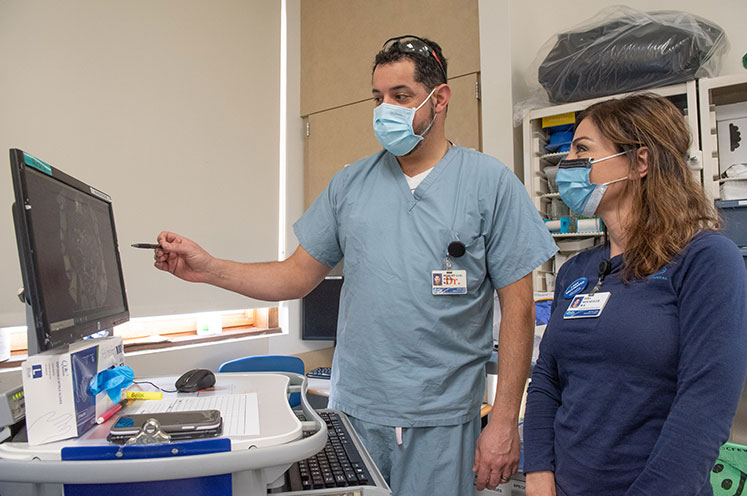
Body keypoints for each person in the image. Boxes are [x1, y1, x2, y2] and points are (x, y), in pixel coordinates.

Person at [154, 35, 557, 495]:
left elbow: (519, 309)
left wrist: (503, 422)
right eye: (378, 98)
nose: (386, 110)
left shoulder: (490, 183)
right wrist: (208, 268)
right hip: (357, 410)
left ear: (440, 98)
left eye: (401, 96)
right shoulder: (350, 184)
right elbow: (294, 276)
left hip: (442, 419)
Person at [523, 93, 747, 496]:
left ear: (640, 162)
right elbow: (547, 379)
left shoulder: (706, 259)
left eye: (582, 149)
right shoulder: (575, 271)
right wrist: (538, 471)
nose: (567, 163)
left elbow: (705, 405)